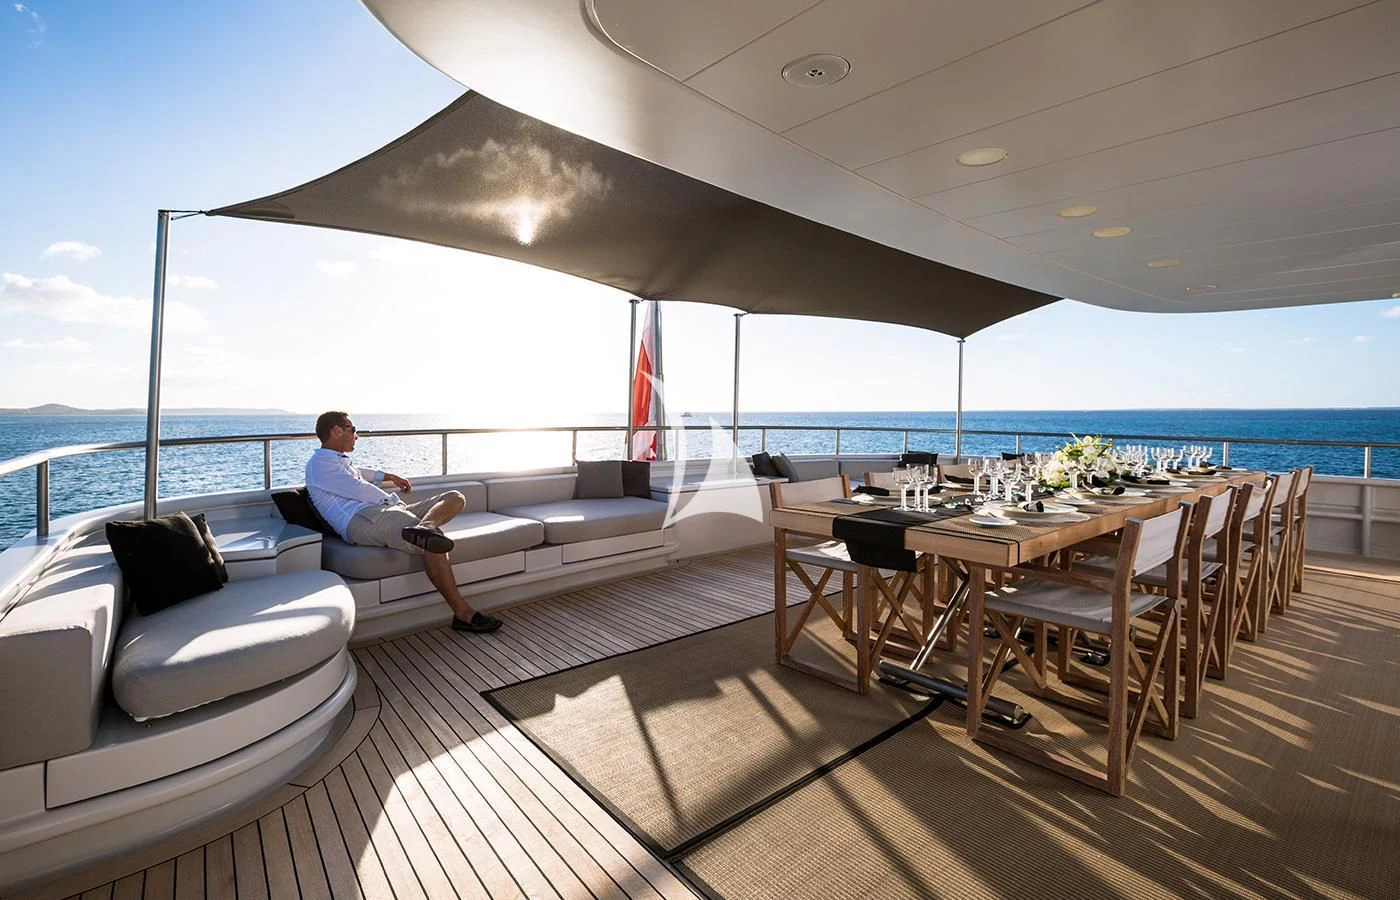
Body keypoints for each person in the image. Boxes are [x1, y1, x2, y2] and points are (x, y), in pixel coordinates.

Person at [305, 410, 501, 633]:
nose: (356, 436)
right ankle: (463, 614)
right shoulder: (318, 465)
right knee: (435, 542)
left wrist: (389, 476)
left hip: (382, 512)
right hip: (361, 519)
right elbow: (357, 488)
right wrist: (392, 499)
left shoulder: (337, 461)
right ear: (337, 431)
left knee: (455, 497)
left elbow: (360, 473)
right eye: (353, 429)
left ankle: (424, 527)